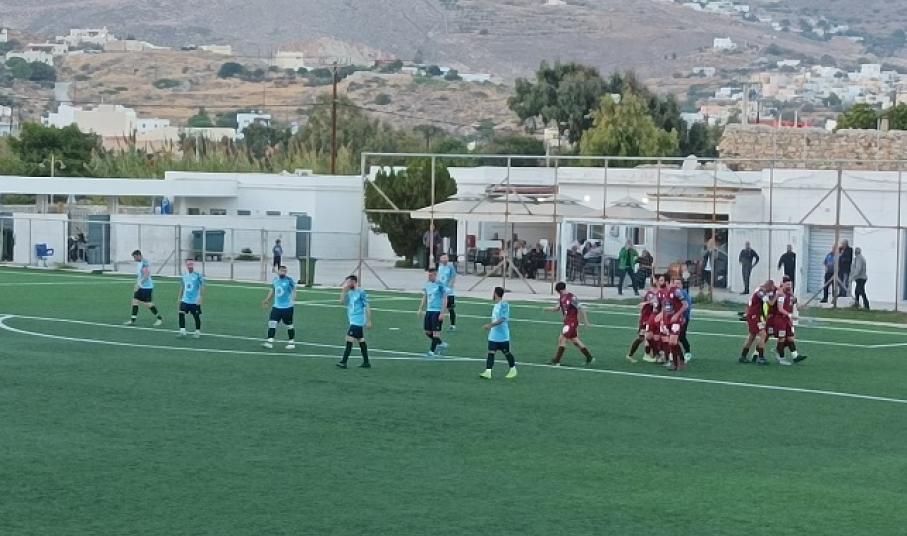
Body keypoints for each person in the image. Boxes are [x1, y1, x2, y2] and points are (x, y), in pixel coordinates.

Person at [546, 282, 595, 367]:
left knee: (562, 338)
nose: (558, 293)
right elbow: (557, 308)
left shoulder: (572, 298)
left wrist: (586, 322)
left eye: (558, 292)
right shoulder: (561, 297)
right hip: (567, 321)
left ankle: (557, 360)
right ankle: (589, 357)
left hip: (571, 322)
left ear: (560, 290)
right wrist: (548, 309)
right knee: (575, 340)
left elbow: (582, 309)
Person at [480, 286, 518, 380]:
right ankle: (488, 372)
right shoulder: (496, 305)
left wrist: (490, 325)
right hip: (493, 335)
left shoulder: (504, 304)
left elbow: (502, 319)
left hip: (502, 335)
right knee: (491, 352)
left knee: (506, 352)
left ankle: (513, 369)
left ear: (496, 294)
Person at [771, 276, 808, 366]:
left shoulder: (791, 295)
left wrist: (802, 306)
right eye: (787, 285)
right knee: (782, 338)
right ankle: (781, 358)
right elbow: (780, 308)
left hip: (787, 320)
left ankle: (795, 356)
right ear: (783, 284)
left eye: (790, 285)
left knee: (791, 338)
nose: (789, 286)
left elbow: (797, 307)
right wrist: (789, 314)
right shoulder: (781, 294)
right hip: (780, 319)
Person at [655, 274, 689, 371]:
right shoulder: (663, 292)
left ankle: (676, 363)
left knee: (672, 342)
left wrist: (677, 315)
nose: (660, 283)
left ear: (667, 282)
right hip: (668, 320)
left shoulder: (676, 292)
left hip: (676, 321)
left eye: (662, 281)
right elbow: (665, 307)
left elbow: (685, 305)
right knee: (673, 343)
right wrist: (661, 316)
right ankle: (679, 361)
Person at [337, 275, 372, 369]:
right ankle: (366, 362)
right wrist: (343, 291)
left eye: (348, 282)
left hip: (358, 320)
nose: (347, 284)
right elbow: (342, 302)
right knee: (361, 340)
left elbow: (367, 306)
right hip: (352, 320)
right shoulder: (349, 292)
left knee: (349, 339)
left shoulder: (361, 292)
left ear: (353, 282)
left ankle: (343, 362)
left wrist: (369, 320)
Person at [740, 280, 775, 366]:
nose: (773, 289)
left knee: (751, 337)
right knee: (763, 334)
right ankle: (761, 357)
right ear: (769, 286)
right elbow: (770, 303)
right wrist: (777, 295)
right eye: (772, 287)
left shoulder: (762, 291)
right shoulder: (760, 292)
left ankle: (743, 356)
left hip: (756, 316)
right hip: (754, 316)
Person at [261, 265, 297, 350]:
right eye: (281, 271)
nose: (283, 272)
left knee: (289, 325)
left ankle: (291, 342)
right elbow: (272, 290)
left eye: (285, 271)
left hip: (287, 308)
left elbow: (294, 290)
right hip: (276, 307)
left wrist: (293, 299)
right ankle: (270, 342)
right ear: (279, 271)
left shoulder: (289, 280)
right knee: (272, 323)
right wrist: (267, 300)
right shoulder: (275, 280)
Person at [125, 250, 163, 326]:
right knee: (135, 301)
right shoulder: (139, 263)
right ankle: (132, 320)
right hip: (141, 286)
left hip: (147, 287)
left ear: (138, 256)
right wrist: (137, 284)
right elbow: (140, 275)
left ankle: (159, 318)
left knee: (148, 304)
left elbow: (146, 275)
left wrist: (139, 284)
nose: (134, 259)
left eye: (135, 257)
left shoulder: (144, 263)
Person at [417, 268, 448, 357]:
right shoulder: (427, 284)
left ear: (435, 275)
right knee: (427, 332)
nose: (429, 277)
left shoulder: (440, 285)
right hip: (429, 311)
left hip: (437, 311)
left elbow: (445, 298)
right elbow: (425, 296)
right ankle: (440, 343)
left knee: (435, 332)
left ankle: (431, 352)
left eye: (431, 275)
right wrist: (420, 308)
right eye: (428, 275)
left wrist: (442, 313)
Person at [626, 280, 658, 363]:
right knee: (643, 337)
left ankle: (649, 354)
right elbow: (653, 303)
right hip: (646, 319)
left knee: (648, 337)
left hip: (651, 318)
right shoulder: (651, 293)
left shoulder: (656, 293)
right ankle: (634, 355)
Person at [177, 260, 204, 338]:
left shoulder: (198, 275)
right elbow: (182, 286)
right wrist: (179, 297)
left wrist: (200, 298)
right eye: (188, 264)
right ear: (186, 266)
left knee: (196, 316)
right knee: (181, 314)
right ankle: (182, 331)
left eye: (191, 264)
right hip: (185, 299)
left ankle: (197, 332)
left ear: (193, 265)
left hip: (194, 300)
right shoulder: (184, 275)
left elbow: (202, 286)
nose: (190, 266)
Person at [674, 275, 693, 362]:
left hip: (683, 318)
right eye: (675, 283)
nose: (676, 285)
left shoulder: (684, 294)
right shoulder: (674, 293)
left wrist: (684, 317)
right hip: (675, 318)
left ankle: (687, 351)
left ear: (682, 285)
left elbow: (687, 307)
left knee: (681, 336)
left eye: (678, 283)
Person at [437, 254, 458, 331]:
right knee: (440, 309)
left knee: (450, 308)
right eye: (443, 257)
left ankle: (453, 325)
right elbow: (439, 278)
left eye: (446, 257)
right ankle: (439, 325)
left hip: (449, 292)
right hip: (441, 291)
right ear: (440, 259)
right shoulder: (440, 267)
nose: (445, 259)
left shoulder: (450, 267)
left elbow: (453, 278)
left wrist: (449, 287)